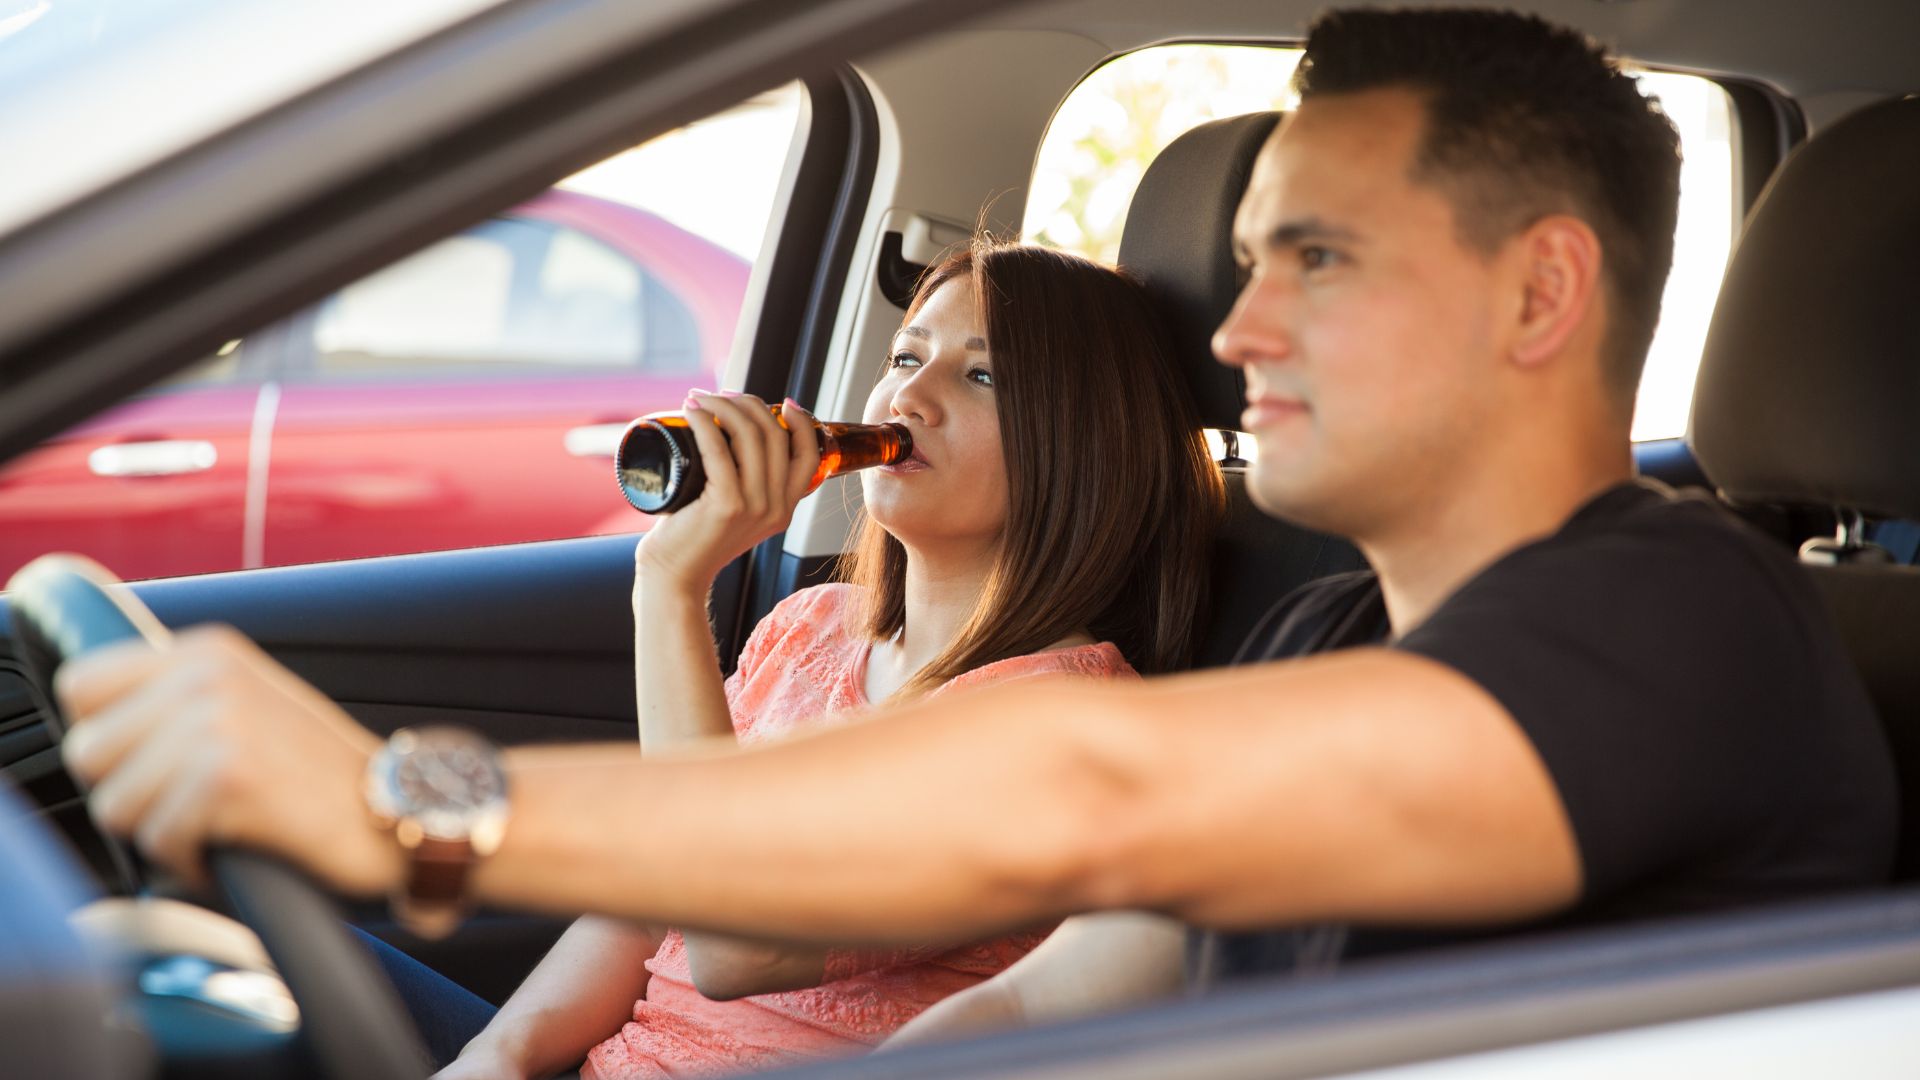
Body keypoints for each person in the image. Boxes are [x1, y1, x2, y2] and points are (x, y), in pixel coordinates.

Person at [56, 2, 1897, 1056]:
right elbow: (1060, 989)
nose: (1239, 332)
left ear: (1539, 295)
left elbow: (1080, 787)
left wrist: (405, 807)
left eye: (1316, 261)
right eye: (1248, 264)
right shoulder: (1333, 640)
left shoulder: (1686, 620)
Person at [390, 241, 1226, 1076]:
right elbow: (651, 899)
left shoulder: (1057, 725)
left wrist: (670, 587)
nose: (910, 396)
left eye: (981, 377)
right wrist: (497, 1055)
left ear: (1084, 443)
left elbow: (729, 945)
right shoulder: (809, 626)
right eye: (906, 354)